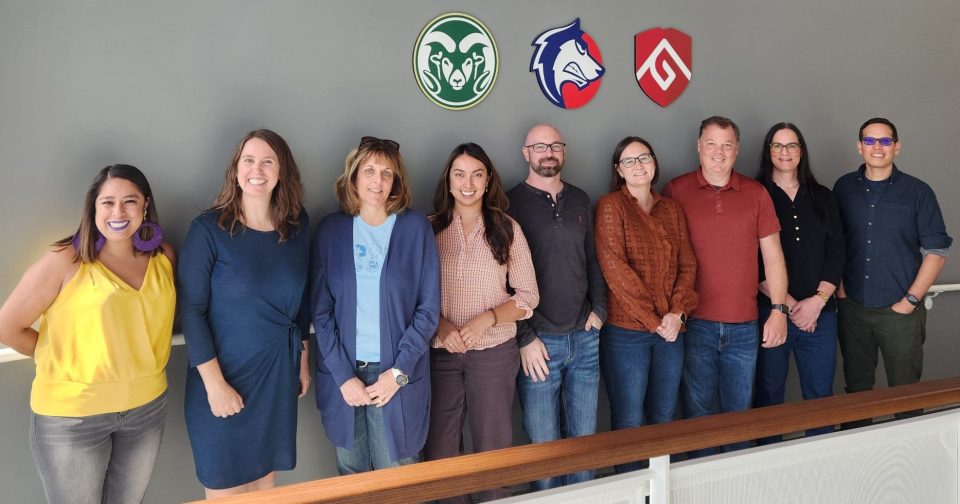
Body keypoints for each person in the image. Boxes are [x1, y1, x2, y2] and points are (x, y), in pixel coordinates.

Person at [0, 164, 175, 504]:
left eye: (129, 201)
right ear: (93, 207)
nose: (118, 212)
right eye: (107, 202)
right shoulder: (66, 260)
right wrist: (61, 356)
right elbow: (7, 326)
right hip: (72, 419)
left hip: (147, 410)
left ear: (145, 205)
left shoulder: (164, 257)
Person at [179, 129, 311, 498]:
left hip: (277, 376)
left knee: (266, 487)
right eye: (248, 160)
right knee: (225, 490)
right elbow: (191, 311)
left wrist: (302, 361)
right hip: (223, 378)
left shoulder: (297, 226)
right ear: (235, 170)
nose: (258, 169)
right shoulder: (208, 230)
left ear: (281, 171)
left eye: (268, 161)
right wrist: (215, 386)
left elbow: (303, 301)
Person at [311, 136, 440, 475]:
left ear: (396, 181)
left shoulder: (415, 229)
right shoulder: (330, 231)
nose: (378, 181)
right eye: (369, 170)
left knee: (399, 480)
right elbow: (321, 314)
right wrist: (342, 376)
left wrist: (397, 373)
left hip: (397, 375)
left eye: (387, 173)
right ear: (353, 177)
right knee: (352, 478)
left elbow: (427, 310)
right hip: (345, 377)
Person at [662, 116, 788, 456]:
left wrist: (778, 311)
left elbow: (773, 255)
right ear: (699, 146)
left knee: (739, 417)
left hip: (745, 324)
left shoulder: (756, 193)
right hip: (694, 323)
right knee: (698, 418)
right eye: (712, 144)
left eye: (727, 145)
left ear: (737, 150)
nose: (719, 152)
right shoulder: (676, 190)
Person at [425, 142, 539, 503]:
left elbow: (528, 297)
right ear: (449, 180)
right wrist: (442, 327)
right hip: (442, 354)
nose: (468, 183)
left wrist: (487, 319)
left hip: (493, 353)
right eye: (459, 174)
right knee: (441, 451)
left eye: (477, 174)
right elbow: (411, 296)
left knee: (494, 446)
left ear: (488, 179)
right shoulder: (428, 229)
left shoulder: (507, 228)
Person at [507, 124, 607, 490]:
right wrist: (524, 338)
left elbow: (593, 261)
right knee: (544, 451)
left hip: (584, 338)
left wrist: (600, 311)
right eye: (539, 146)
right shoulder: (508, 203)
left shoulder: (581, 199)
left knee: (584, 447)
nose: (548, 152)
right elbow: (501, 281)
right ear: (526, 153)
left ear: (563, 151)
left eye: (555, 146)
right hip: (538, 344)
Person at [833, 118, 951, 418]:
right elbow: (835, 243)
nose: (877, 147)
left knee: (906, 393)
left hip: (900, 312)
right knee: (856, 393)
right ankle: (859, 458)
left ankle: (908, 462)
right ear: (859, 146)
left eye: (885, 141)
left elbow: (937, 251)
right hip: (854, 308)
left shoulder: (918, 191)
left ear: (896, 147)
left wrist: (910, 301)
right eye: (870, 140)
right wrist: (842, 291)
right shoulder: (844, 188)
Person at [594, 136, 697, 472]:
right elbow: (616, 272)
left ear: (654, 162)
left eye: (645, 157)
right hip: (628, 333)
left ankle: (659, 493)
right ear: (618, 170)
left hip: (671, 330)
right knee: (629, 420)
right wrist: (656, 321)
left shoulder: (671, 208)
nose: (639, 165)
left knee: (665, 416)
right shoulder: (611, 206)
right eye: (629, 160)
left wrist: (677, 314)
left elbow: (688, 265)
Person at [753, 123, 845, 441]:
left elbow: (837, 253)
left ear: (801, 151)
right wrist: (791, 307)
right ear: (768, 152)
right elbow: (751, 264)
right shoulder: (755, 194)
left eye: (792, 146)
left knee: (820, 395)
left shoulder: (823, 196)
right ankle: (768, 466)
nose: (785, 152)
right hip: (772, 313)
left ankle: (819, 470)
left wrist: (817, 302)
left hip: (821, 315)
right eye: (778, 146)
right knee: (768, 395)